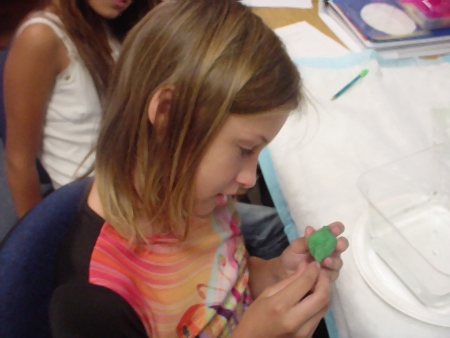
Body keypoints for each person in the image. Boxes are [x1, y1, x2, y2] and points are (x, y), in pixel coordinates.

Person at [49, 1, 349, 337]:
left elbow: (229, 281)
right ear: (168, 114)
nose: (250, 179)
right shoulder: (93, 301)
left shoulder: (200, 196)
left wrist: (277, 274)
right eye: (245, 149)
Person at [3, 0, 159, 218]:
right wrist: (36, 240)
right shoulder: (41, 37)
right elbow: (19, 163)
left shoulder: (117, 25)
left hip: (138, 197)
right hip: (88, 212)